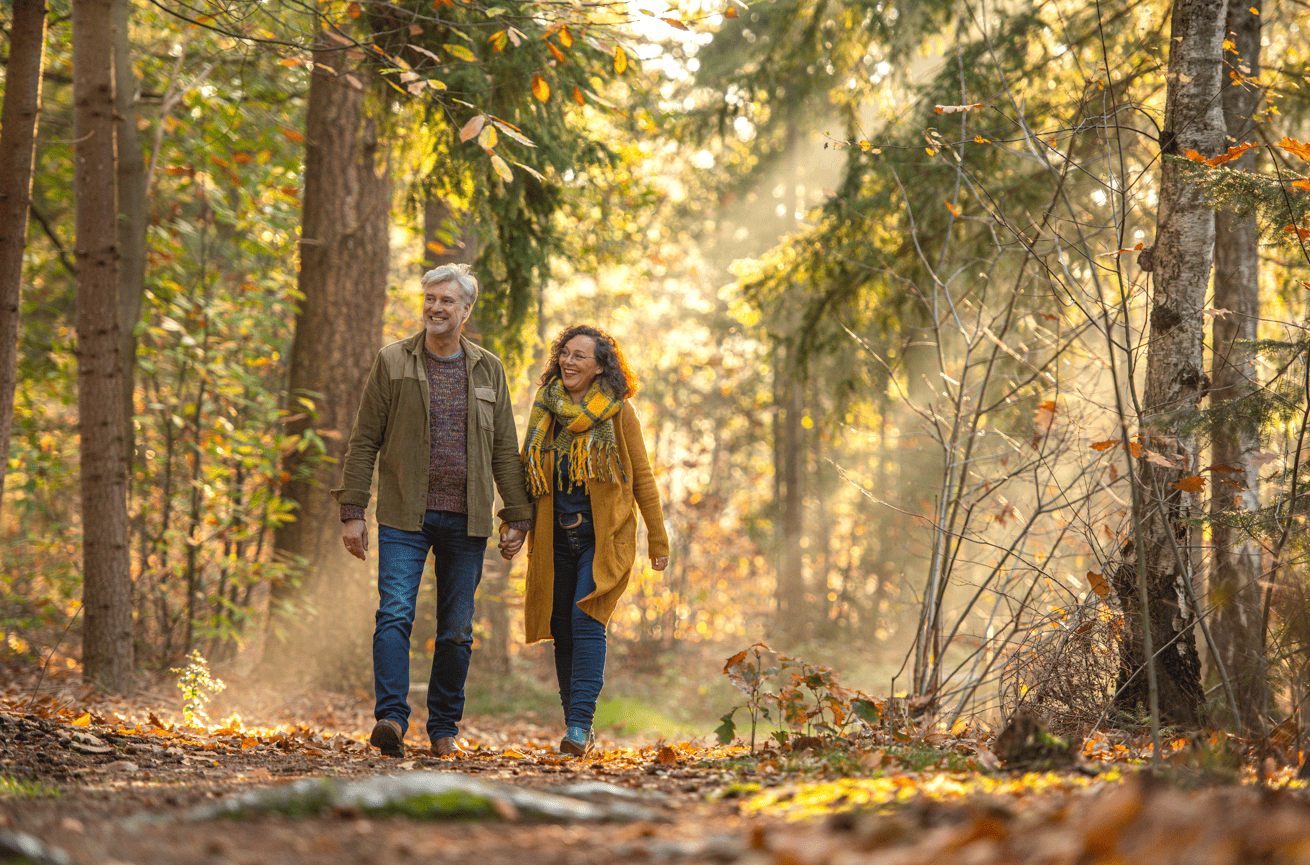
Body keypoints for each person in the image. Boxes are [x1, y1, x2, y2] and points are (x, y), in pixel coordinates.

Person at [332, 263, 533, 759]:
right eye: (430, 298)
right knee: (394, 613)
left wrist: (518, 515)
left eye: (446, 301)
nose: (435, 308)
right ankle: (392, 720)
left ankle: (443, 729)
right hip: (404, 512)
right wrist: (352, 509)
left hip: (467, 518)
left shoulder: (489, 368)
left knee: (457, 630)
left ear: (466, 310)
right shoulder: (392, 360)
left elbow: (506, 449)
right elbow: (364, 440)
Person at [519, 324, 669, 756]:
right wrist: (515, 523)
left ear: (601, 365)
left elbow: (643, 479)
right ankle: (575, 727)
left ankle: (581, 726)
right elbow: (525, 472)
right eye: (564, 353)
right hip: (552, 539)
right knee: (561, 630)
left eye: (579, 355)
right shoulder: (545, 408)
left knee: (587, 621)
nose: (568, 361)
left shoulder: (620, 413)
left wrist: (658, 542)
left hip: (603, 539)